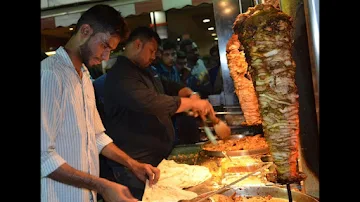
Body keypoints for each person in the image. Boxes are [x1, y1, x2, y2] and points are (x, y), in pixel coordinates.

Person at [41, 5, 160, 202]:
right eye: (104, 46)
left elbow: (96, 136)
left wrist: (133, 164)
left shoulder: (85, 76)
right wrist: (102, 185)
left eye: (111, 50)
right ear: (85, 31)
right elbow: (43, 157)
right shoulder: (49, 74)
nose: (106, 56)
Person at [101, 26, 216, 200]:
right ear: (138, 44)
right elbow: (151, 102)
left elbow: (167, 85)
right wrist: (192, 103)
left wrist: (188, 92)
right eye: (152, 51)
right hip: (133, 167)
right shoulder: (121, 75)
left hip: (155, 162)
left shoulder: (146, 70)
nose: (154, 56)